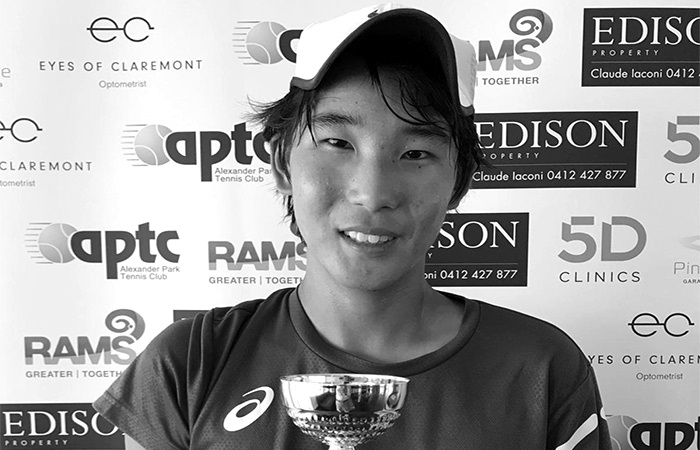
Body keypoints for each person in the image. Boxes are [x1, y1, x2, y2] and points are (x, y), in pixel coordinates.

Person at [94, 4, 612, 449]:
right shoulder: (188, 364)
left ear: (459, 182)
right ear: (281, 164)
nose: (373, 192)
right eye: (338, 143)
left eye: (416, 152)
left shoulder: (542, 368)